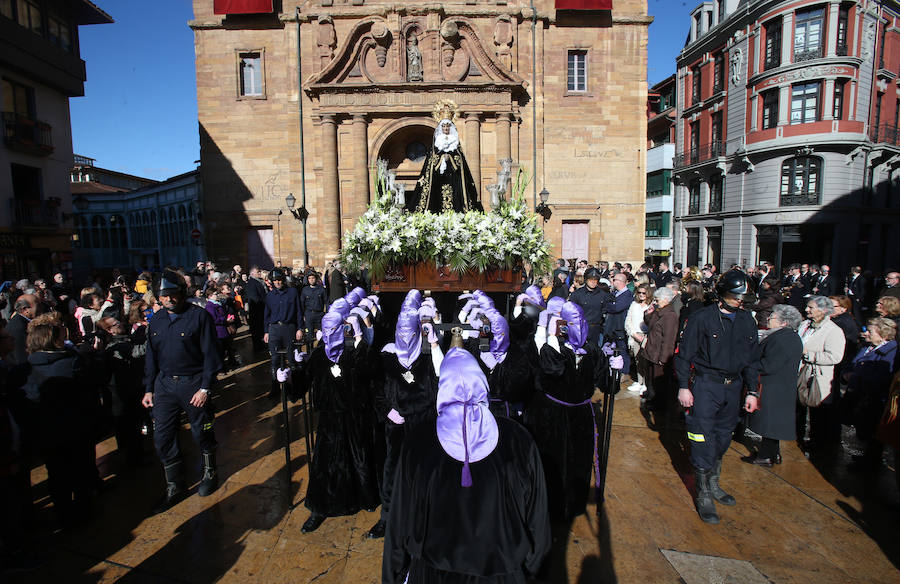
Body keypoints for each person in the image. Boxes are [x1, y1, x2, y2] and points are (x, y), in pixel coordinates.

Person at [382, 347, 550, 584]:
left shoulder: (417, 443)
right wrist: (532, 571)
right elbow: (538, 521)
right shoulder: (519, 440)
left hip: (434, 572)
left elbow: (399, 521)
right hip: (502, 571)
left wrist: (393, 575)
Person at [675, 269, 760, 524]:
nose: (740, 302)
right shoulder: (702, 318)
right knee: (701, 435)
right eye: (736, 297)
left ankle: (713, 482)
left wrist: (753, 390)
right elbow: (684, 354)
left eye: (743, 298)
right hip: (705, 385)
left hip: (733, 387)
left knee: (724, 436)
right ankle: (703, 493)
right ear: (722, 295)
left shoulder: (747, 321)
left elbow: (752, 360)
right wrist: (683, 386)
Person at [141, 269, 223, 514]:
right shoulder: (155, 320)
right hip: (164, 386)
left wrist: (205, 388)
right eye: (163, 295)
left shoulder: (199, 317)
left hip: (194, 383)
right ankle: (174, 484)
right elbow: (151, 357)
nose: (168, 299)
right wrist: (148, 389)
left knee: (202, 432)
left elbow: (211, 355)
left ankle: (210, 472)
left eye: (173, 294)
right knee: (163, 437)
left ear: (182, 293)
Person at [292, 310, 380, 533]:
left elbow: (370, 373)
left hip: (353, 417)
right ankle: (319, 509)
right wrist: (290, 375)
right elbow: (302, 382)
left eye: (335, 329)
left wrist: (362, 339)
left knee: (359, 460)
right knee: (325, 465)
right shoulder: (318, 356)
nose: (332, 334)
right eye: (327, 330)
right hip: (329, 420)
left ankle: (365, 498)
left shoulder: (352, 354)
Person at [368, 309, 443, 539]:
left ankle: (426, 517)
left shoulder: (427, 356)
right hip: (397, 425)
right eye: (402, 333)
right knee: (393, 471)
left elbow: (442, 377)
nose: (406, 337)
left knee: (424, 472)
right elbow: (375, 389)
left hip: (423, 422)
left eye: (411, 333)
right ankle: (387, 517)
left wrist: (436, 344)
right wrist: (388, 411)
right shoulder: (386, 358)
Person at [743, 304, 804, 466]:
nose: (769, 318)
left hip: (774, 385)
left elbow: (770, 364)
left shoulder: (784, 339)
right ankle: (773, 453)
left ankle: (765, 456)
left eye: (773, 317)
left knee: (770, 421)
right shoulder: (786, 336)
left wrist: (752, 365)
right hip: (779, 385)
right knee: (773, 422)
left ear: (784, 322)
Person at [842, 317, 897, 472]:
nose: (866, 334)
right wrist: (847, 374)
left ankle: (871, 462)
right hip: (859, 393)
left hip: (873, 397)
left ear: (883, 333)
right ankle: (866, 456)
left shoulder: (890, 352)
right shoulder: (868, 346)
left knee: (872, 431)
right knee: (862, 428)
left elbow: (882, 377)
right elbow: (853, 362)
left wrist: (856, 377)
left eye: (870, 331)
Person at [405, 112, 483, 214]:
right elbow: (431, 163)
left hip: (453, 178)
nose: (446, 128)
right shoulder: (436, 144)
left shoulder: (455, 143)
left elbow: (460, 161)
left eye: (448, 126)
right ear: (441, 128)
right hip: (438, 179)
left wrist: (450, 158)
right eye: (444, 126)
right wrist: (441, 158)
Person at [796, 296, 845, 451]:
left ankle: (818, 443)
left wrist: (809, 355)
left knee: (818, 411)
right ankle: (797, 437)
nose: (806, 310)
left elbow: (835, 356)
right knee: (798, 407)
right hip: (800, 373)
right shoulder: (804, 325)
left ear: (823, 310)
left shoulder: (833, 331)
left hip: (817, 376)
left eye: (811, 308)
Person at [263, 268, 303, 398]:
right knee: (274, 360)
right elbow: (266, 315)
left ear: (283, 280)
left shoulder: (292, 292)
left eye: (279, 280)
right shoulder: (269, 295)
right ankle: (275, 388)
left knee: (291, 360)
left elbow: (298, 311)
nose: (277, 282)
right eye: (275, 281)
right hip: (274, 329)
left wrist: (299, 328)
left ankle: (292, 387)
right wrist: (266, 331)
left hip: (289, 328)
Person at [639, 287, 679, 412]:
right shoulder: (658, 311)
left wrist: (664, 358)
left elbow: (669, 339)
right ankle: (652, 399)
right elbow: (648, 323)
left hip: (658, 355)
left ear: (666, 300)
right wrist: (648, 312)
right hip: (651, 351)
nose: (655, 302)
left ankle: (659, 406)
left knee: (659, 383)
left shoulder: (670, 316)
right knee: (651, 380)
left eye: (657, 300)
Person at [569, 267, 612, 349]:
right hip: (580, 329)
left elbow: (606, 311)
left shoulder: (603, 295)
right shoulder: (577, 294)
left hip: (596, 330)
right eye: (590, 279)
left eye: (595, 279)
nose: (593, 281)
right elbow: (572, 312)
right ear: (586, 279)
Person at [625, 283, 653, 394]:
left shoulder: (651, 306)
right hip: (635, 335)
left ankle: (646, 383)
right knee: (638, 361)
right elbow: (628, 321)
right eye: (639, 292)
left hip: (647, 336)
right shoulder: (634, 304)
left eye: (643, 293)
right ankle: (639, 381)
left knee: (646, 361)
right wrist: (633, 334)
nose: (641, 295)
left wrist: (644, 337)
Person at [7, 294, 38, 367]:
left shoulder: (24, 323)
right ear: (25, 309)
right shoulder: (18, 328)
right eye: (38, 304)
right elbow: (20, 358)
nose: (41, 307)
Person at [300, 270, 327, 338]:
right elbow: (302, 303)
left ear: (316, 278)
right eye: (309, 278)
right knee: (309, 335)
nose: (311, 280)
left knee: (321, 334)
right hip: (309, 314)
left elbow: (326, 301)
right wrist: (303, 315)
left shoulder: (321, 289)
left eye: (313, 278)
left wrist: (326, 313)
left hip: (319, 314)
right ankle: (309, 348)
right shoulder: (305, 290)